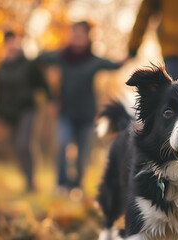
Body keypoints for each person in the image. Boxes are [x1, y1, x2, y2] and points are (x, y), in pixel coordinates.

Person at [39, 21, 125, 191]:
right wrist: (51, 97)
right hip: (65, 113)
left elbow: (115, 65)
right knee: (63, 145)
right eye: (74, 33)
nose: (77, 36)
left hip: (87, 114)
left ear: (87, 37)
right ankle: (62, 185)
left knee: (83, 153)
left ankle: (76, 186)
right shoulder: (61, 57)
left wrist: (131, 53)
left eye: (81, 33)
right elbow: (41, 58)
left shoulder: (93, 61)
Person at [0, 31, 52, 192]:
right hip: (9, 114)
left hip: (28, 109)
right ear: (5, 44)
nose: (12, 44)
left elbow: (43, 84)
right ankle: (28, 180)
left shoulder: (29, 65)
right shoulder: (1, 69)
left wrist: (51, 100)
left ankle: (31, 179)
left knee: (23, 143)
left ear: (19, 43)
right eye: (9, 41)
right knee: (17, 148)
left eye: (15, 41)